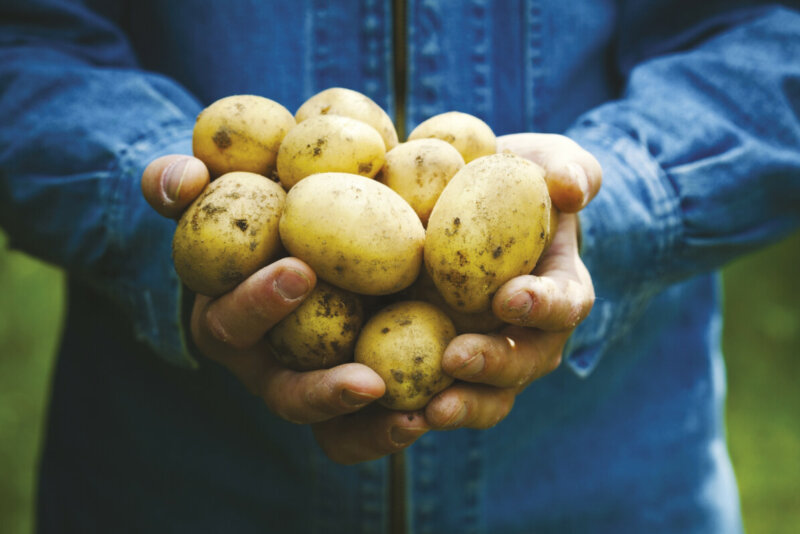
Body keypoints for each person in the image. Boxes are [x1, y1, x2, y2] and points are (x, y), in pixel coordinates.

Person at [1, 0, 799, 532]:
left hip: (614, 482)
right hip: (173, 482)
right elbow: (24, 36)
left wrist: (614, 204)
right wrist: (156, 209)